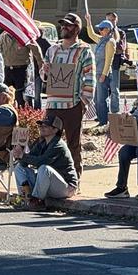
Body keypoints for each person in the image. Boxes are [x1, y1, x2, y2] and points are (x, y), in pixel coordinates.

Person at [42, 12, 95, 180]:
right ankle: (51, 178)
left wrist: (83, 102)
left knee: (73, 144)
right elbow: (43, 75)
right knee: (49, 143)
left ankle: (74, 179)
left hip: (72, 104)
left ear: (77, 29)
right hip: (52, 103)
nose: (63, 27)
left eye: (68, 25)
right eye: (62, 25)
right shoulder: (52, 49)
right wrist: (45, 72)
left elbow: (90, 77)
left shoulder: (84, 50)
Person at [15, 114, 78, 205]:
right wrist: (20, 150)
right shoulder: (42, 143)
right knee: (19, 168)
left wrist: (23, 156)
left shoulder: (58, 145)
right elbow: (24, 163)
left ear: (55, 130)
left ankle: (37, 201)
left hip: (67, 187)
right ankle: (26, 196)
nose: (41, 128)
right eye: (40, 126)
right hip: (48, 184)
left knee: (44, 168)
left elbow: (41, 162)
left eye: (46, 126)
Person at [91, 20, 117, 127]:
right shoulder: (101, 40)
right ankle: (101, 120)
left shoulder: (110, 42)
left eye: (101, 29)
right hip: (97, 72)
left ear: (107, 30)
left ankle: (103, 122)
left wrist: (104, 74)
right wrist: (88, 21)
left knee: (101, 99)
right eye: (99, 29)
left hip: (103, 74)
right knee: (96, 99)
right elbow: (91, 34)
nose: (100, 31)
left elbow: (108, 60)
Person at [106, 11, 127, 113]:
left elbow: (121, 48)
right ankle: (103, 113)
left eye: (113, 20)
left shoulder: (121, 33)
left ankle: (115, 112)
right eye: (109, 20)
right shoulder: (102, 32)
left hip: (114, 63)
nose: (111, 22)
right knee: (103, 90)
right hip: (103, 64)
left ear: (116, 20)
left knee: (114, 89)